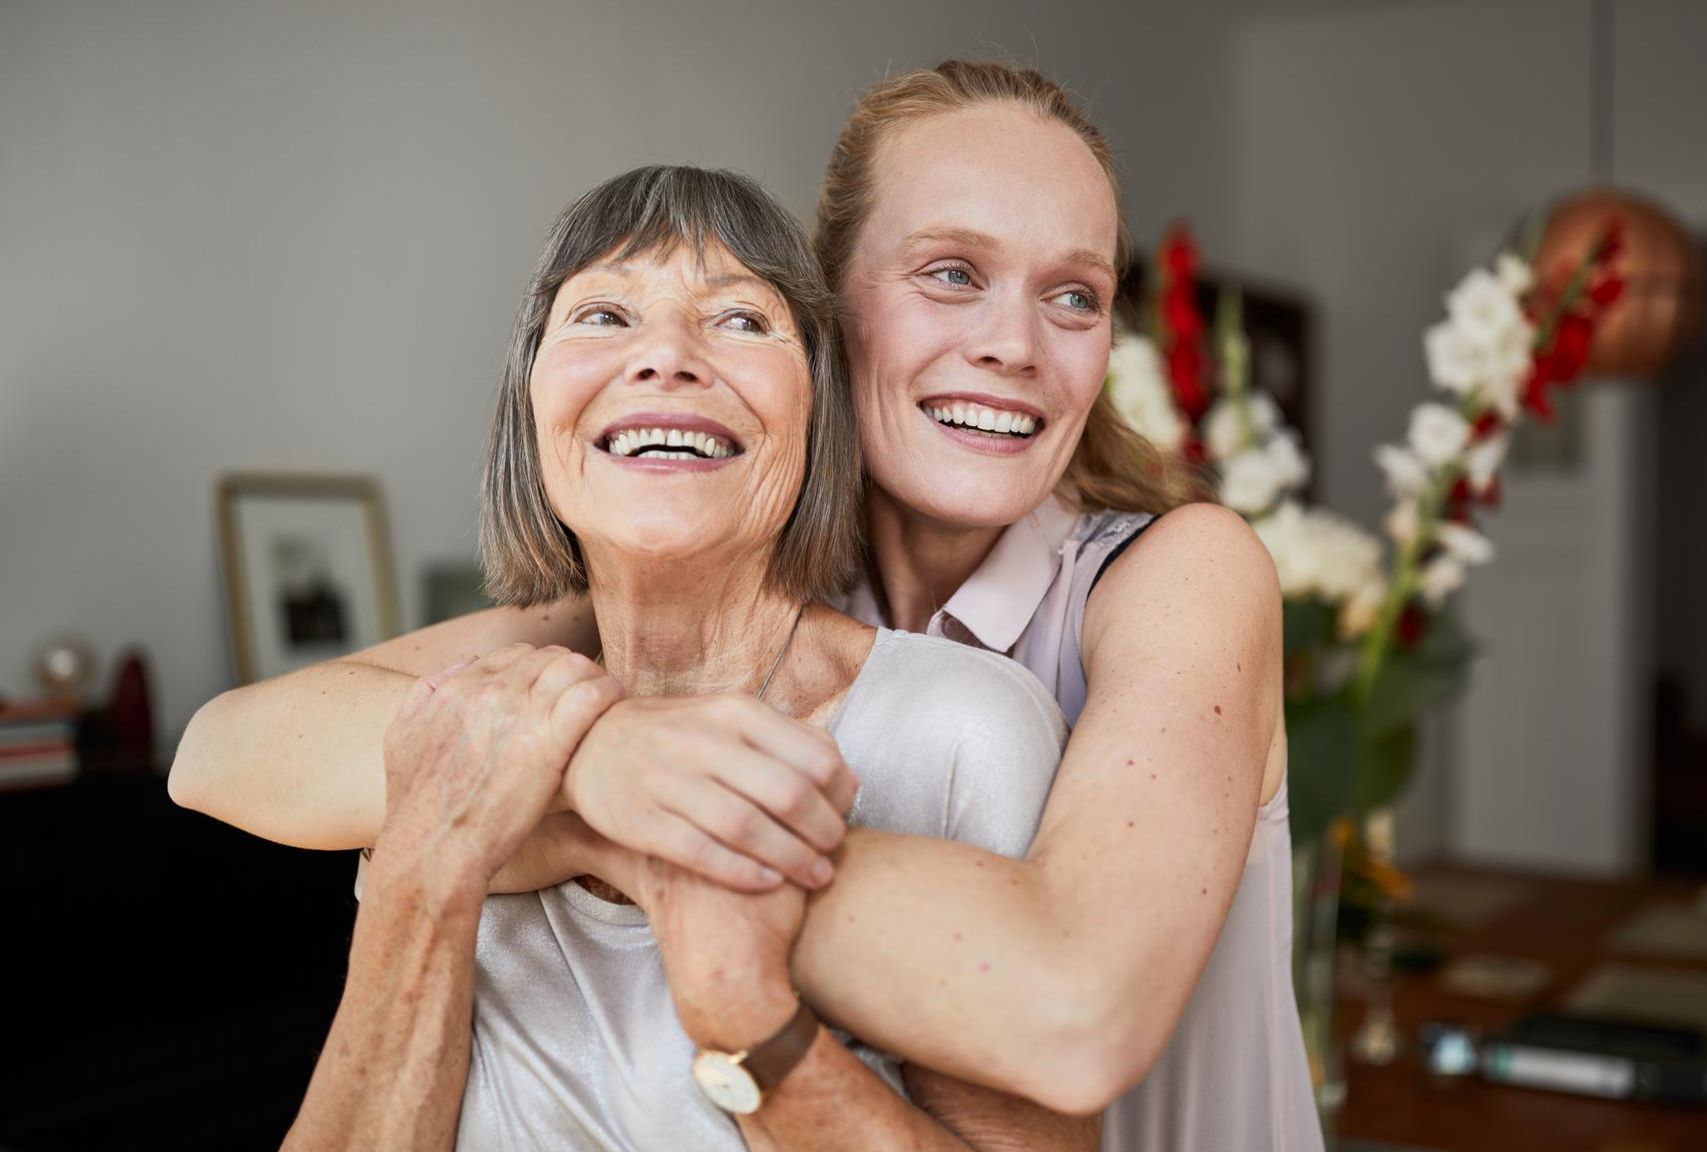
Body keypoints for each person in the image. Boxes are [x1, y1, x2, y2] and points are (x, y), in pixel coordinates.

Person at [172, 61, 1320, 1150]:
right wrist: (602, 756)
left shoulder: (1178, 572)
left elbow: (1073, 1017)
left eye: (1073, 295)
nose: (1014, 344)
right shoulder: (698, 576)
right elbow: (225, 748)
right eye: (951, 273)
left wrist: (605, 819)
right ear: (830, 314)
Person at [271, 163, 1095, 1151]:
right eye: (604, 316)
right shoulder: (466, 720)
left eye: (741, 321)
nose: (664, 358)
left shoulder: (960, 733)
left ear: (816, 410)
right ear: (531, 408)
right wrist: (435, 864)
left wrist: (743, 1005)